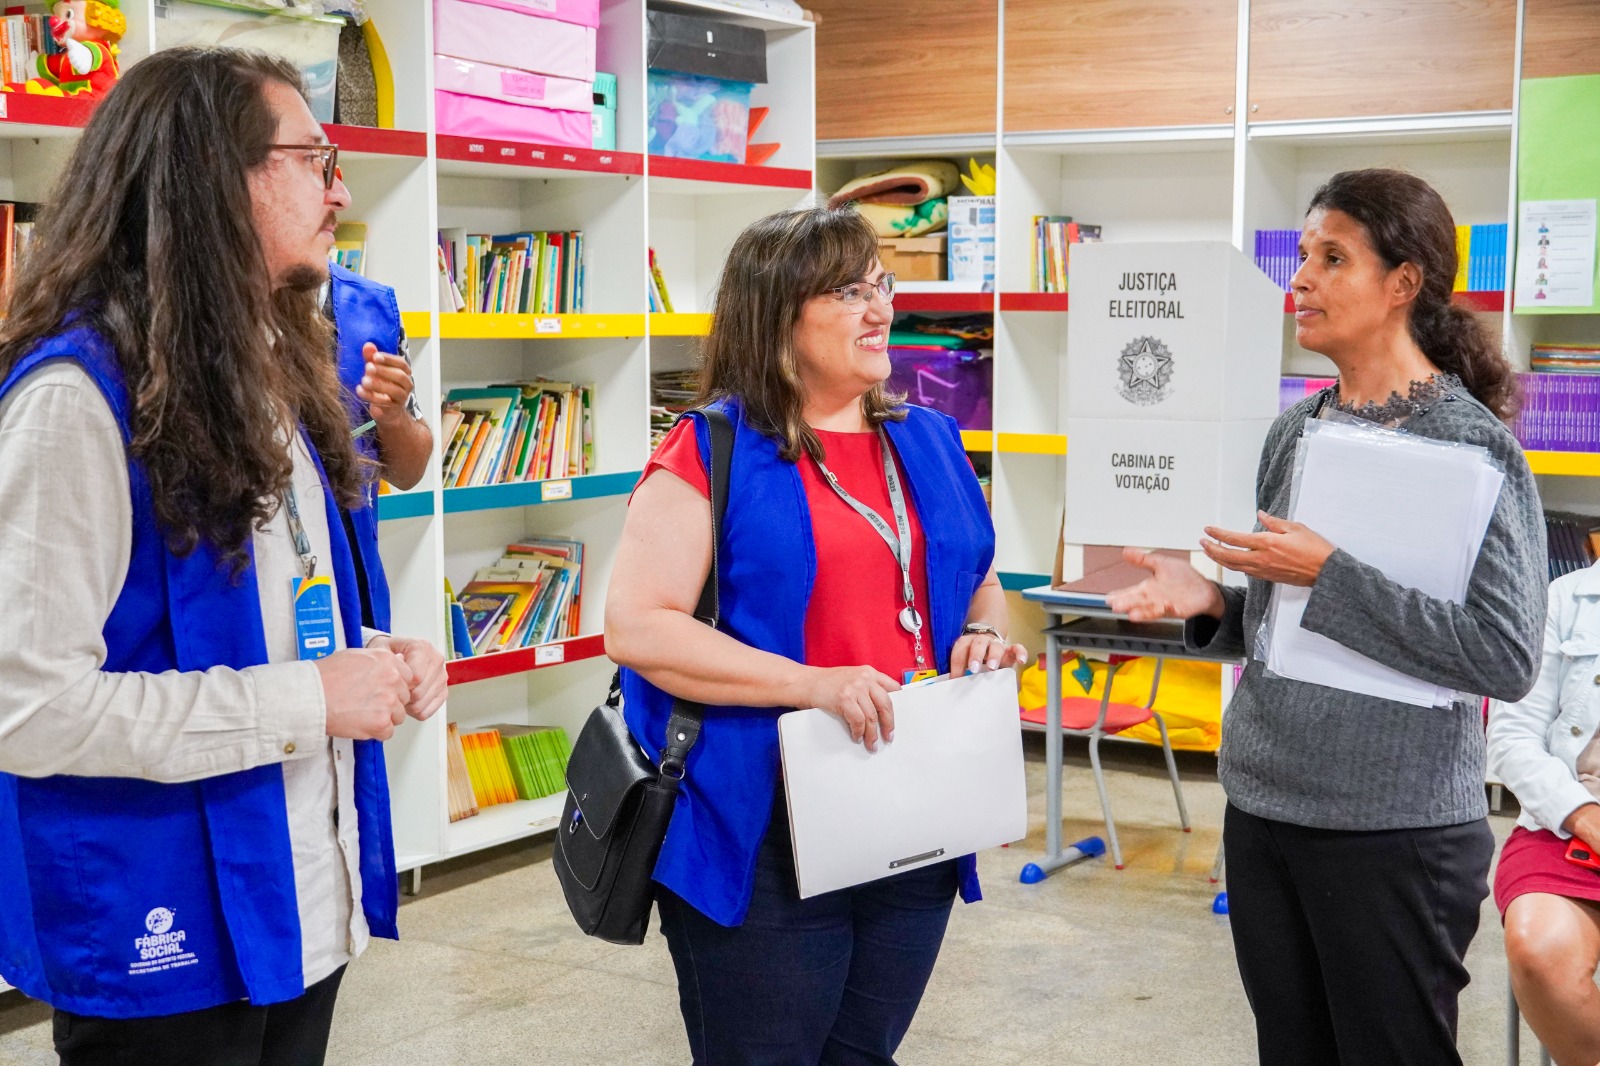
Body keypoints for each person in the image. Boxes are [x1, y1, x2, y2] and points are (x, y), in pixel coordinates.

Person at [0, 47, 448, 1066]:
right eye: (311, 158)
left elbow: (270, 611)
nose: (340, 188)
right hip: (157, 929)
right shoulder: (75, 401)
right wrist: (310, 701)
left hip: (297, 903)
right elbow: (23, 706)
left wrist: (371, 654)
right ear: (212, 176)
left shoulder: (268, 369)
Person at [1107, 168, 1547, 1065]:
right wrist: (1213, 606)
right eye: (1302, 255)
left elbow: (1503, 657)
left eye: (1331, 258)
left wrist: (1330, 573)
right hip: (1265, 810)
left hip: (1396, 833)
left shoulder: (1474, 448)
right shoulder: (1294, 433)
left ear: (1404, 283)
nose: (1298, 279)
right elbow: (1287, 628)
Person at [604, 205, 1028, 1065]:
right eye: (846, 291)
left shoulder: (934, 440)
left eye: (882, 286)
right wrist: (814, 682)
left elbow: (977, 581)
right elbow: (637, 627)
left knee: (865, 1051)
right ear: (776, 314)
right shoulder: (711, 447)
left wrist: (984, 634)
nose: (880, 309)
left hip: (914, 803)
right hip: (759, 821)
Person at [1488, 557, 1600, 1066]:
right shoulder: (1563, 598)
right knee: (1539, 949)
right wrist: (1582, 815)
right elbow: (1513, 739)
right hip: (1569, 819)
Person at [325, 262, 432, 629]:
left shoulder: (372, 307)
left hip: (354, 588)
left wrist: (393, 418)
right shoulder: (211, 298)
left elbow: (411, 472)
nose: (341, 200)